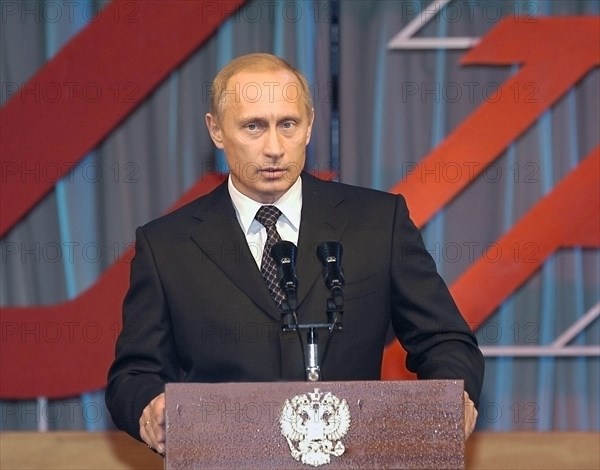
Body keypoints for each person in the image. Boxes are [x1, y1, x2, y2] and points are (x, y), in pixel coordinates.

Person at [106, 53, 484, 455]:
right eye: (253, 126)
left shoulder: (377, 223)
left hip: (356, 457)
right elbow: (134, 373)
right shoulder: (168, 245)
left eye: (288, 124)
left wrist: (451, 395)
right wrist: (148, 408)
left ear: (309, 126)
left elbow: (445, 340)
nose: (274, 148)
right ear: (216, 130)